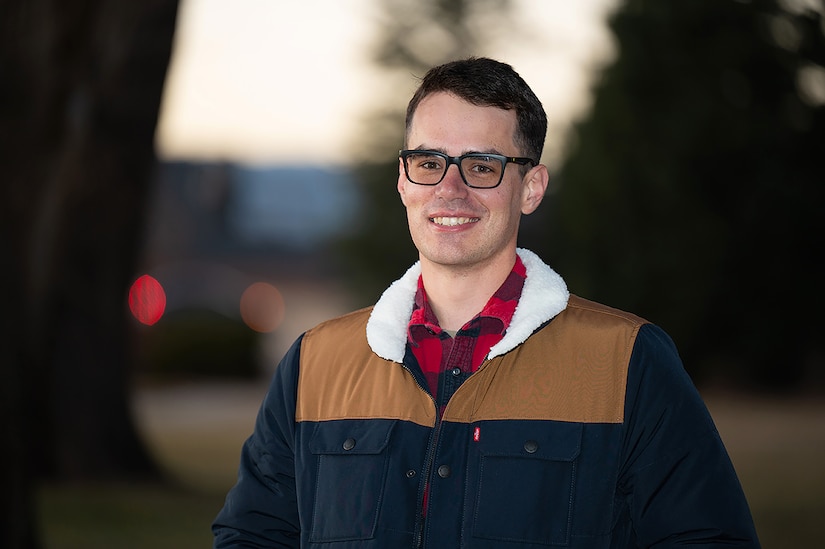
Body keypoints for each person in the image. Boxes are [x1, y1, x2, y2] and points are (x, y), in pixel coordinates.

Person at [213, 57, 760, 548]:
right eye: (429, 162)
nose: (449, 189)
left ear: (531, 187)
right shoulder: (316, 363)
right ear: (403, 180)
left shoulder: (628, 362)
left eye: (482, 166)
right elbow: (252, 536)